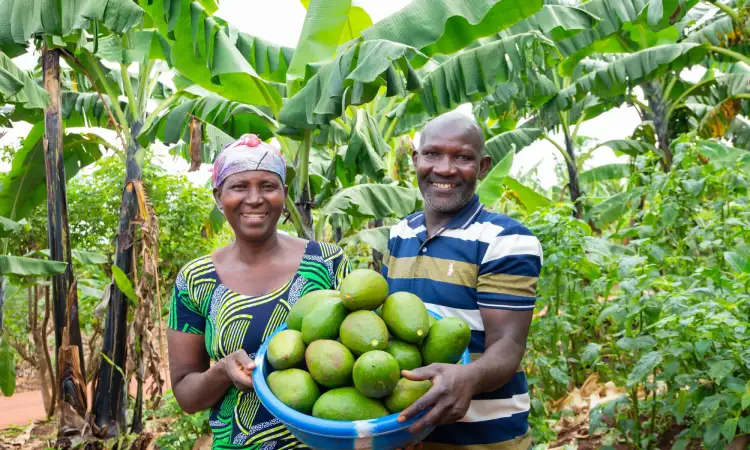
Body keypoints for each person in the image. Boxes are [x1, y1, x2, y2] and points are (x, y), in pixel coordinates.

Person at [167, 134, 351, 450]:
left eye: (268, 186)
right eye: (239, 187)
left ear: (284, 194)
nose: (255, 199)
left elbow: (370, 352)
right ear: (218, 196)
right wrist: (223, 371)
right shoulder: (196, 280)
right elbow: (186, 394)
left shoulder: (328, 263)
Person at [382, 111, 543, 449]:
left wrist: (468, 377)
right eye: (432, 154)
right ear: (415, 159)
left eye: (462, 157)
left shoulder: (506, 240)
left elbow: (508, 345)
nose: (445, 168)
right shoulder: (399, 233)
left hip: (485, 437)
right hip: (406, 432)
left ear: (483, 167)